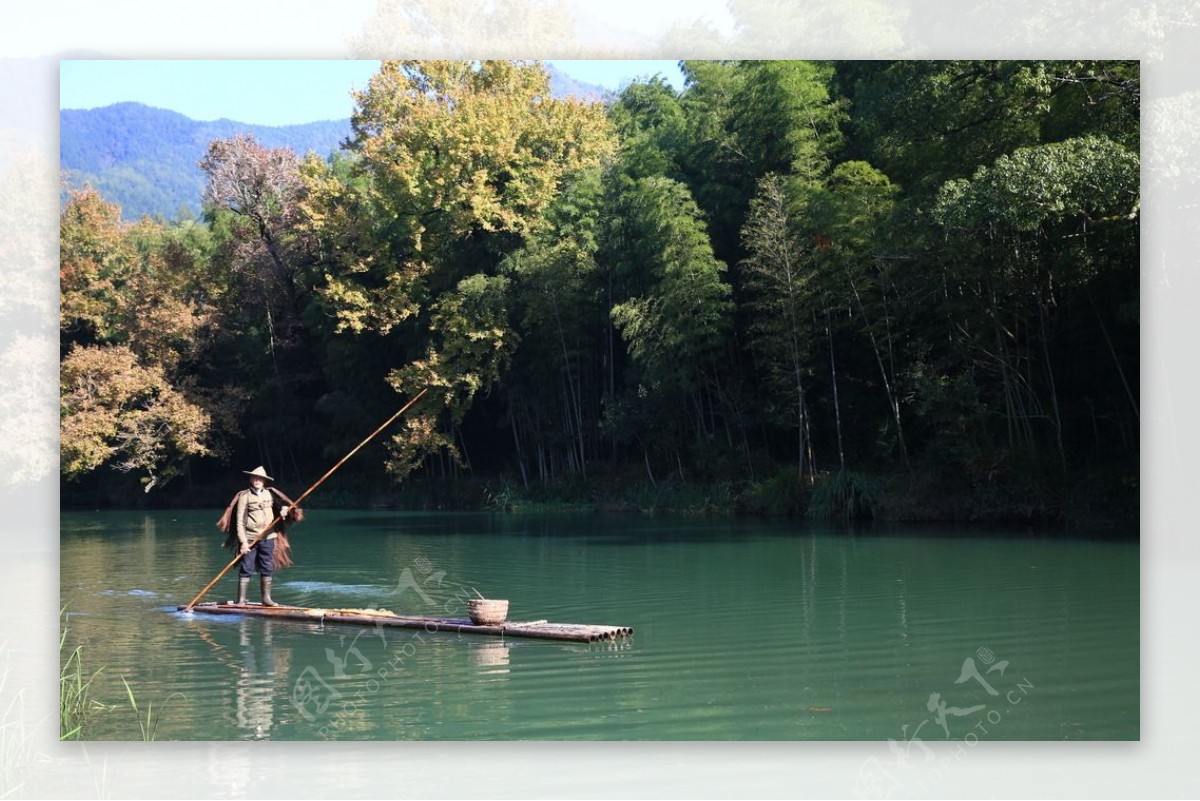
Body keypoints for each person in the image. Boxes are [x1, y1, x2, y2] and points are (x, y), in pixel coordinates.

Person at [228, 466, 295, 606]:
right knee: (246, 567)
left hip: (269, 537)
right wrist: (244, 542)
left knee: (267, 566)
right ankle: (241, 600)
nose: (257, 480)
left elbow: (283, 506)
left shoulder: (271, 494)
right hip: (250, 538)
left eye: (260, 478)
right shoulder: (244, 496)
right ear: (251, 479)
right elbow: (239, 522)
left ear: (264, 480)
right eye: (254, 478)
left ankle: (266, 599)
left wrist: (284, 510)